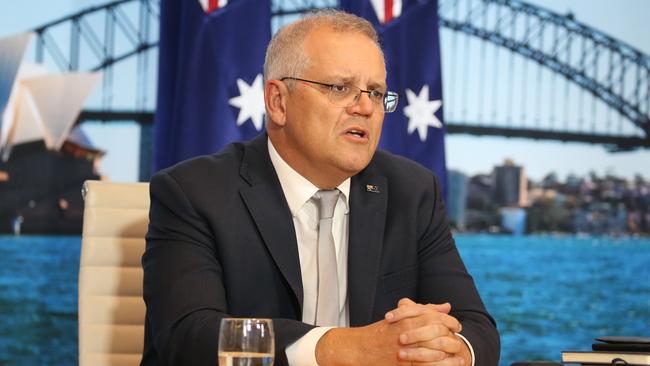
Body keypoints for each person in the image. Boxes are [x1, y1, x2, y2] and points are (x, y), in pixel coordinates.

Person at [141, 9, 499, 366]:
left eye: (376, 93)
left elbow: (476, 330)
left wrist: (451, 352)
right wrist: (350, 348)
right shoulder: (193, 192)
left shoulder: (412, 191)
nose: (365, 107)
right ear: (278, 102)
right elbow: (189, 338)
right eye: (339, 88)